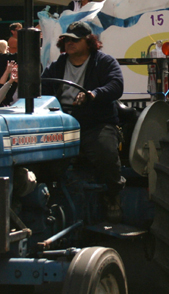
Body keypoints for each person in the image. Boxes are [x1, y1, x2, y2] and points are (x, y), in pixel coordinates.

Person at [41, 20, 125, 222]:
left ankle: (113, 193)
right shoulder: (57, 65)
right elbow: (43, 88)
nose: (69, 44)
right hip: (62, 123)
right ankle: (45, 198)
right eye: (67, 40)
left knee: (104, 151)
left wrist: (93, 95)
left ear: (89, 42)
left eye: (75, 40)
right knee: (40, 156)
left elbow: (116, 85)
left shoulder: (104, 62)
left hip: (95, 122)